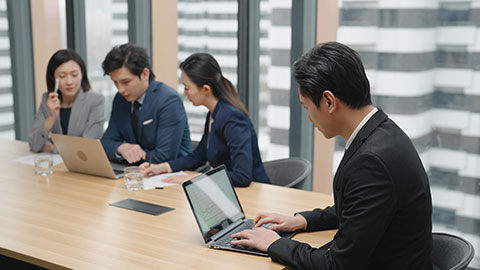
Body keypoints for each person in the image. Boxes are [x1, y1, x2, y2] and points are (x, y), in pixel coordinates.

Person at [231, 42, 433, 269]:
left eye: (306, 107)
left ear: (329, 101)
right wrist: (302, 221)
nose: (308, 119)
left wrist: (274, 244)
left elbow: (336, 265)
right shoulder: (383, 131)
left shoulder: (372, 162)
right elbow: (358, 210)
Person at [141, 53, 270, 187]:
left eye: (187, 88)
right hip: (230, 192)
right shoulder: (214, 114)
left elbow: (241, 176)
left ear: (205, 89)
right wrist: (162, 168)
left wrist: (194, 179)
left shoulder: (232, 118)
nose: (185, 93)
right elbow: (199, 155)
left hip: (253, 194)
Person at [101, 43, 192, 165]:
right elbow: (106, 142)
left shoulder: (168, 100)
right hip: (137, 173)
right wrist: (122, 148)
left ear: (145, 74)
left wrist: (129, 156)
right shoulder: (121, 99)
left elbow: (164, 156)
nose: (120, 89)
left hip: (172, 175)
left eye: (125, 82)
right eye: (115, 83)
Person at [29, 49, 105, 153]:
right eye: (62, 76)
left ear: (82, 75)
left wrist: (52, 148)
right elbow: (34, 145)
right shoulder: (47, 99)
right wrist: (51, 117)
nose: (69, 82)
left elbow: (87, 145)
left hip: (84, 166)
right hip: (56, 166)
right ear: (53, 78)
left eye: (74, 75)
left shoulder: (95, 100)